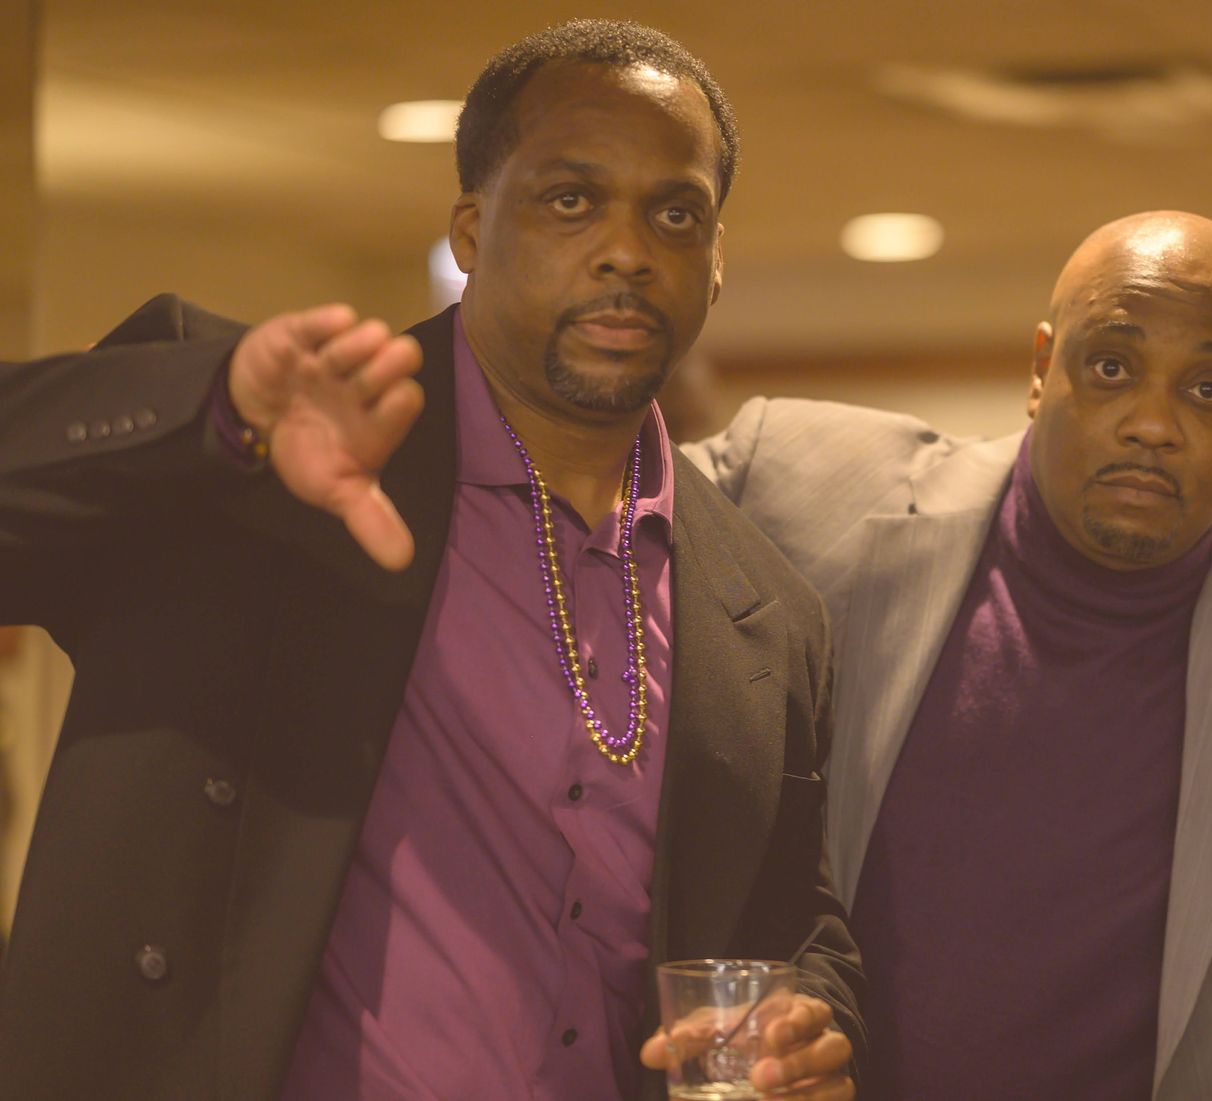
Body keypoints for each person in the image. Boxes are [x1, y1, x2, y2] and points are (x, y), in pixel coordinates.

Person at [0, 21, 857, 1101]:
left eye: (675, 213)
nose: (627, 250)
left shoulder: (768, 609)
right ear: (471, 230)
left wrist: (808, 1018)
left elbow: (793, 921)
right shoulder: (271, 453)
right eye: (571, 200)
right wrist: (209, 417)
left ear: (717, 260)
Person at [683, 210, 1212, 1101]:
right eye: (1112, 367)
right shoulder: (802, 483)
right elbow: (567, 511)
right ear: (1041, 367)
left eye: (1208, 388)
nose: (1152, 423)